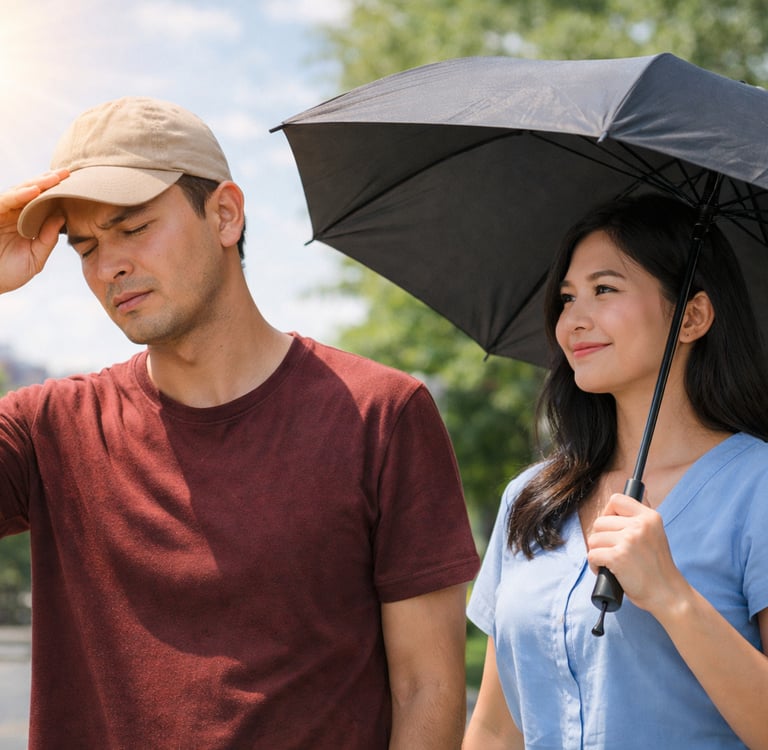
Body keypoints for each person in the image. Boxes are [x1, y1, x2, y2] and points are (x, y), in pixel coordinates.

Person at [0, 96, 480, 750]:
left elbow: (427, 688)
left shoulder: (381, 415)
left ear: (224, 214)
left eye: (134, 228)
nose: (108, 266)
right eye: (84, 246)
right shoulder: (47, 431)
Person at [463, 193, 768, 750]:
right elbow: (496, 728)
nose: (572, 321)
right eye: (566, 297)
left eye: (604, 290)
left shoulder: (758, 486)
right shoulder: (530, 497)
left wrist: (672, 596)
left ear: (692, 316)